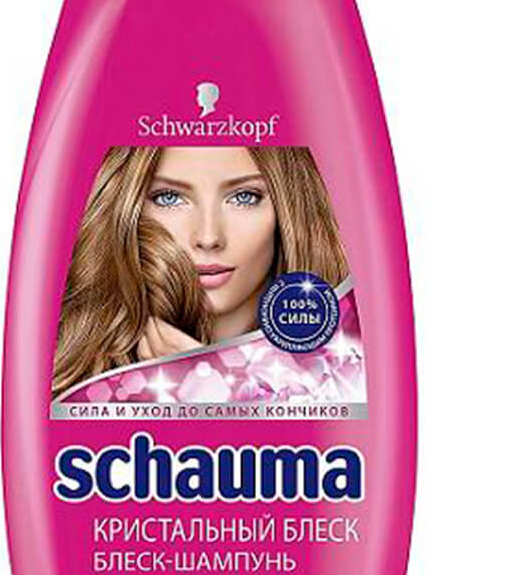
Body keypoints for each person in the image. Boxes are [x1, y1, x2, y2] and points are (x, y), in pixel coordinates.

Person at [53, 145, 348, 395]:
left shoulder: (345, 376)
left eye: (244, 197)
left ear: (289, 211)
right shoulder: (76, 385)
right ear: (127, 209)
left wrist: (218, 395)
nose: (208, 238)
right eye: (169, 198)